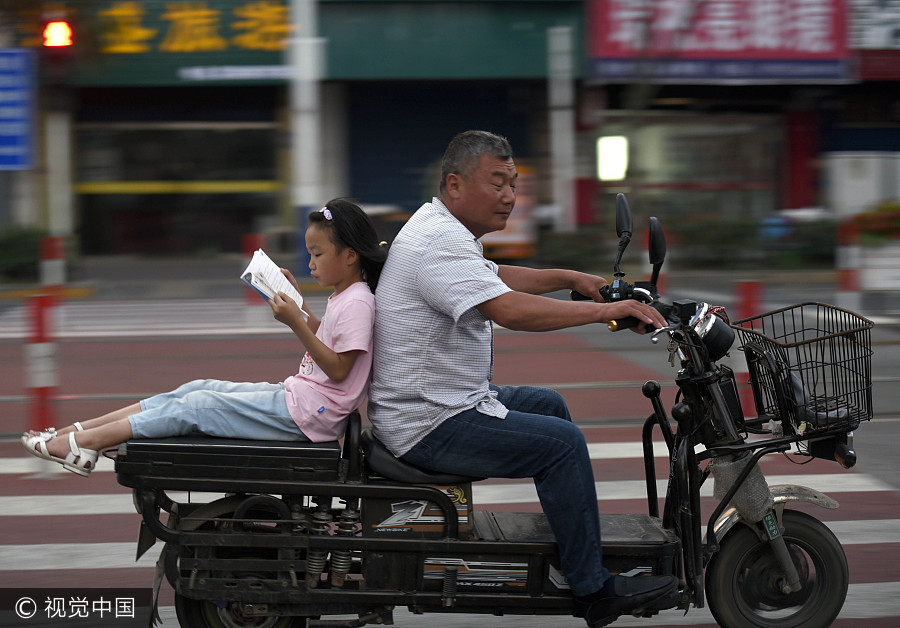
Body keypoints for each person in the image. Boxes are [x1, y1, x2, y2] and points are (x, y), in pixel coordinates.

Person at [367, 130, 677, 628]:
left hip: (441, 400)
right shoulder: (437, 244)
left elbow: (496, 277)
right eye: (497, 183)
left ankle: (570, 549)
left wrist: (576, 279)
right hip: (428, 422)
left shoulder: (442, 229)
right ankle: (592, 589)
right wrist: (607, 314)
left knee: (548, 405)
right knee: (561, 444)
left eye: (513, 183)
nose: (510, 196)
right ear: (454, 184)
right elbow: (509, 309)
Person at [23, 199, 386, 477]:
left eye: (318, 254)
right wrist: (302, 307)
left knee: (198, 407)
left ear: (351, 256)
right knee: (195, 388)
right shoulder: (347, 295)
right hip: (301, 401)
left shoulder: (359, 302)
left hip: (310, 415)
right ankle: (80, 430)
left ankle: (85, 445)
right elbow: (331, 340)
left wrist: (296, 323)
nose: (311, 263)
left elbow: (339, 369)